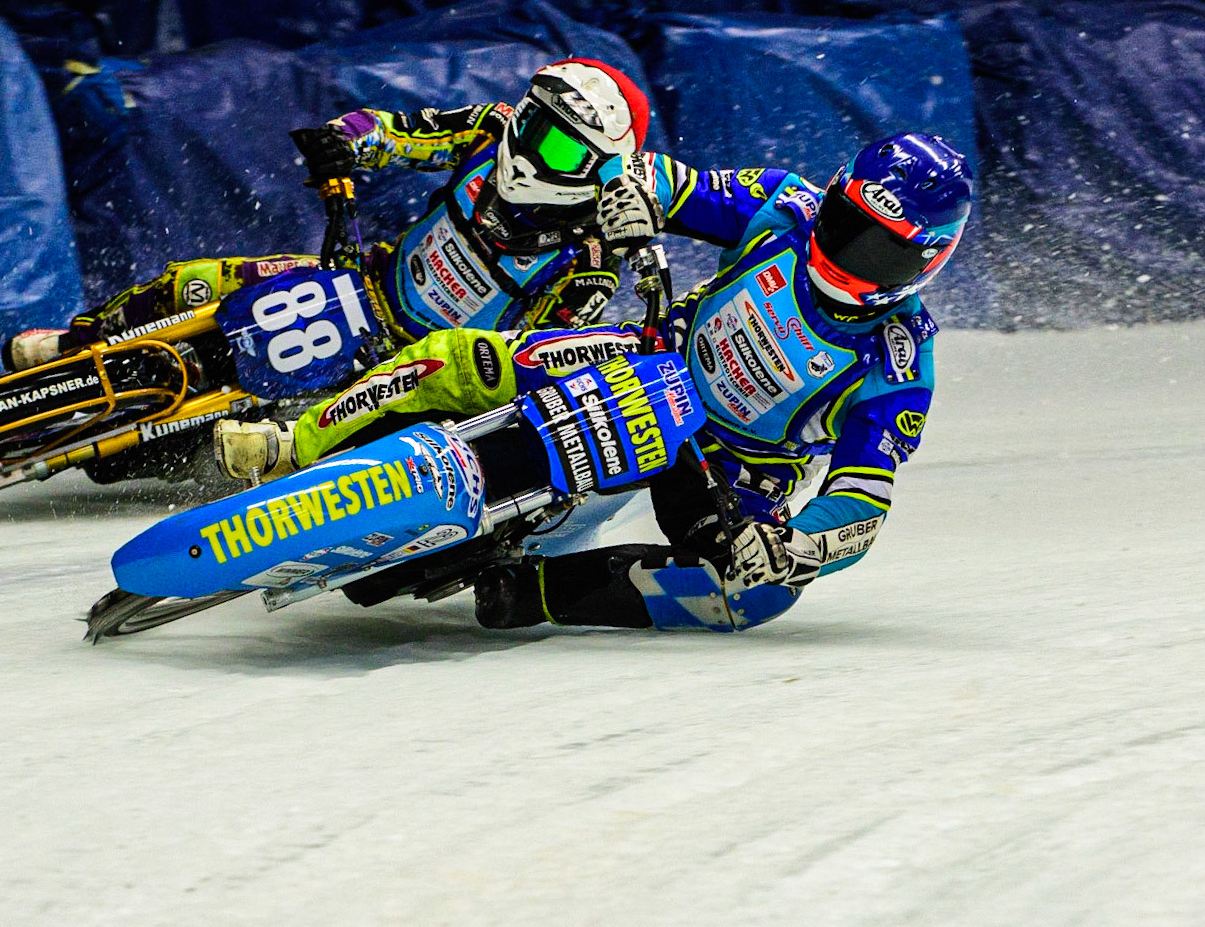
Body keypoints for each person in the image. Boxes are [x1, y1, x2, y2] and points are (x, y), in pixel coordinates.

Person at [219, 133, 974, 632]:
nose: (847, 252)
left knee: (754, 597)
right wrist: (634, 201)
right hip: (648, 358)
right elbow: (663, 178)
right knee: (462, 356)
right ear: (834, 197)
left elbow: (863, 492)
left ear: (927, 263)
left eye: (882, 252)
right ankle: (292, 442)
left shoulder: (900, 359)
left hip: (731, 474)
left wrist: (796, 546)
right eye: (846, 225)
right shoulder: (788, 205)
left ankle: (540, 593)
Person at [2, 58, 652, 372]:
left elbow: (534, 353)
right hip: (359, 283)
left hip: (419, 367)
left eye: (558, 141)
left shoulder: (591, 259)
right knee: (197, 281)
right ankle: (74, 344)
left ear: (597, 163)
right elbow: (396, 131)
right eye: (534, 118)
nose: (529, 141)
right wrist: (345, 139)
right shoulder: (489, 129)